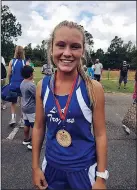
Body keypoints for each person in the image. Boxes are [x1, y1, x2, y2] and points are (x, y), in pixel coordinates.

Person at [32, 20, 108, 190]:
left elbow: (101, 135)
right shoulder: (42, 87)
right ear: (51, 48)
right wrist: (36, 167)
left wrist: (101, 178)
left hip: (83, 170)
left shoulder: (93, 88)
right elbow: (38, 128)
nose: (67, 53)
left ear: (82, 50)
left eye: (74, 46)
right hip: (51, 168)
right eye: (60, 45)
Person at [7, 46, 27, 126]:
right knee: (22, 103)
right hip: (22, 85)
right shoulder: (25, 62)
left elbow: (9, 74)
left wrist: (9, 82)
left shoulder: (12, 61)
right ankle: (22, 120)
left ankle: (13, 118)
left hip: (13, 84)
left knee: (13, 102)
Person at [20, 65, 36, 150]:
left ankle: (26, 139)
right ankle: (33, 143)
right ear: (30, 74)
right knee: (34, 126)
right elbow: (37, 95)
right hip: (31, 108)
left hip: (24, 107)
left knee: (26, 124)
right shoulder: (31, 85)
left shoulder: (22, 82)